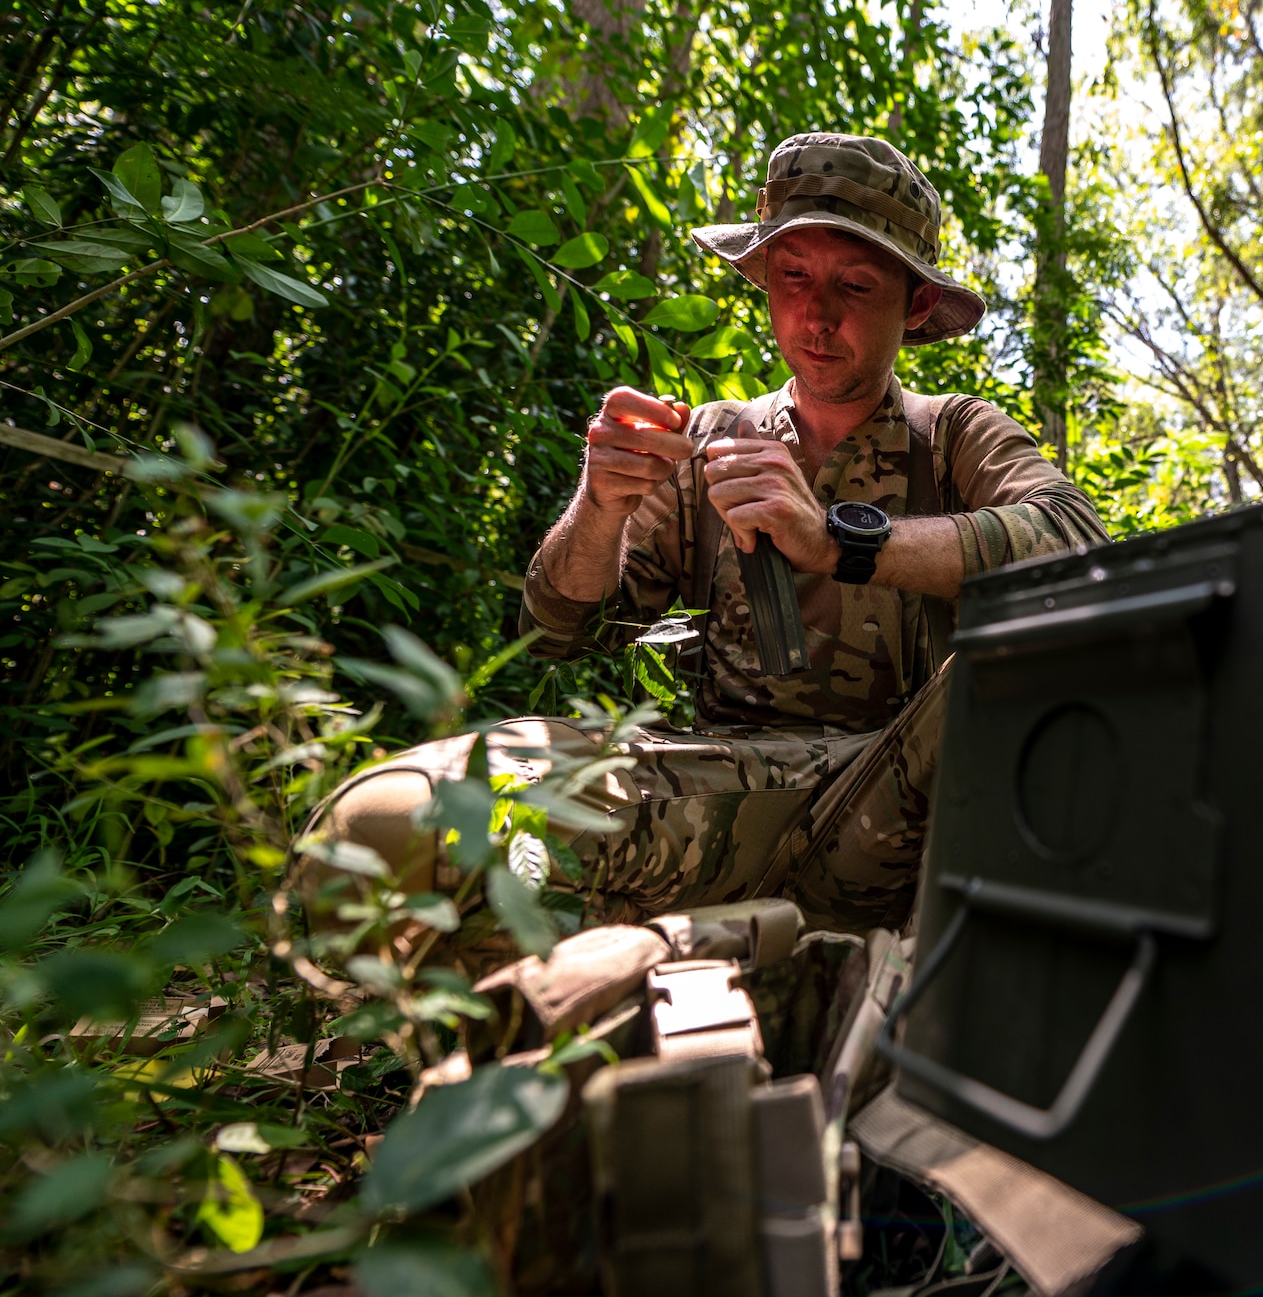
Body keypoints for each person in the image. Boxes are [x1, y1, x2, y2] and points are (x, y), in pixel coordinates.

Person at [309, 132, 1106, 948]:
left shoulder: (957, 434)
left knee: (1010, 679)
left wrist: (837, 539)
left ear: (916, 305)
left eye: (855, 284)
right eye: (792, 276)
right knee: (389, 828)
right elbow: (554, 630)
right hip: (725, 800)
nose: (816, 314)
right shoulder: (717, 443)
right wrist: (602, 504)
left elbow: (1078, 545)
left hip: (901, 811)